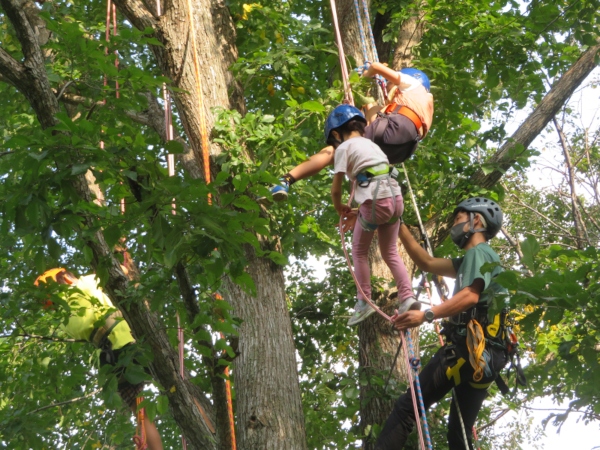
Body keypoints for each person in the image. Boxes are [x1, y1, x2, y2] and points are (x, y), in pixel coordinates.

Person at [375, 197, 509, 450]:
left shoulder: (479, 252)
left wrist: (426, 315)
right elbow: (426, 262)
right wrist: (398, 222)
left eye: (458, 219)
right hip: (488, 358)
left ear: (476, 220)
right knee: (459, 434)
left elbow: (470, 295)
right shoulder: (474, 260)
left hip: (467, 351)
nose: (453, 226)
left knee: (407, 408)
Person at [257, 64, 433, 205]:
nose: (387, 88)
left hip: (393, 130)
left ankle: (286, 180)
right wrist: (366, 104)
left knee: (335, 151)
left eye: (389, 85)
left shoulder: (413, 82)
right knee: (360, 142)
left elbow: (378, 68)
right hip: (402, 149)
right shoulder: (422, 107)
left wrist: (366, 75)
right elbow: (375, 121)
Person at [35, 268, 164, 450]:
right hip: (128, 341)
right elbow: (121, 271)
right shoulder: (85, 284)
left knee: (141, 412)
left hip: (111, 360)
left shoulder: (65, 321)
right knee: (177, 383)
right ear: (67, 279)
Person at [328, 104, 420, 326]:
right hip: (395, 200)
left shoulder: (342, 148)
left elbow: (336, 189)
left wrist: (339, 206)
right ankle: (407, 297)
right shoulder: (372, 145)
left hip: (376, 201)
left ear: (335, 134)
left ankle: (364, 301)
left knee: (359, 251)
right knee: (390, 252)